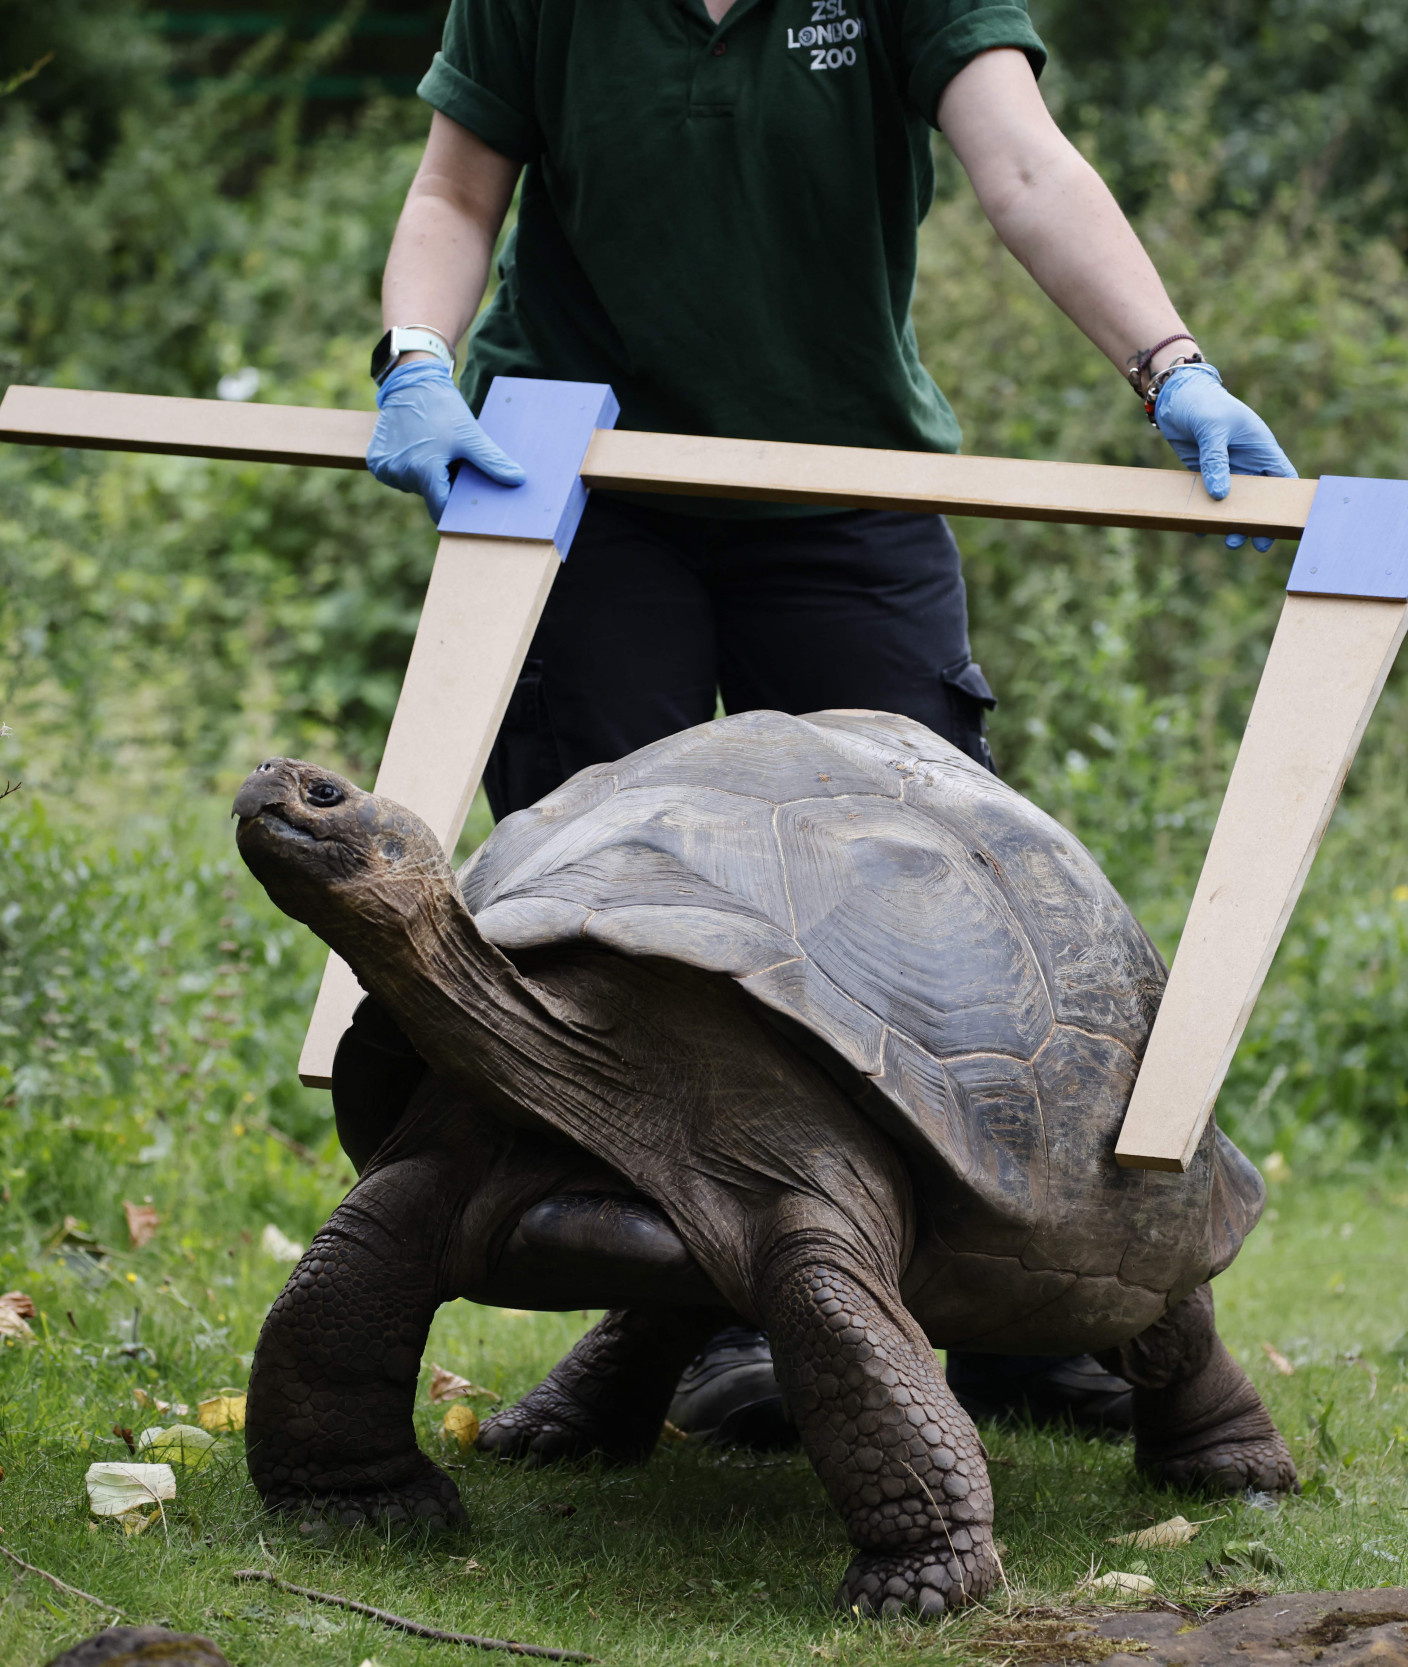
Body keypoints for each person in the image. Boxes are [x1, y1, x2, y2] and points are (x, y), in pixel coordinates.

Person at [358, 0, 1296, 1446]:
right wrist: (416, 357)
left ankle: (1026, 1316)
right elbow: (455, 188)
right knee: (625, 927)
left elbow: (1027, 169)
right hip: (587, 477)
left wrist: (1171, 364)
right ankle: (732, 1313)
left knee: (931, 916)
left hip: (842, 477)